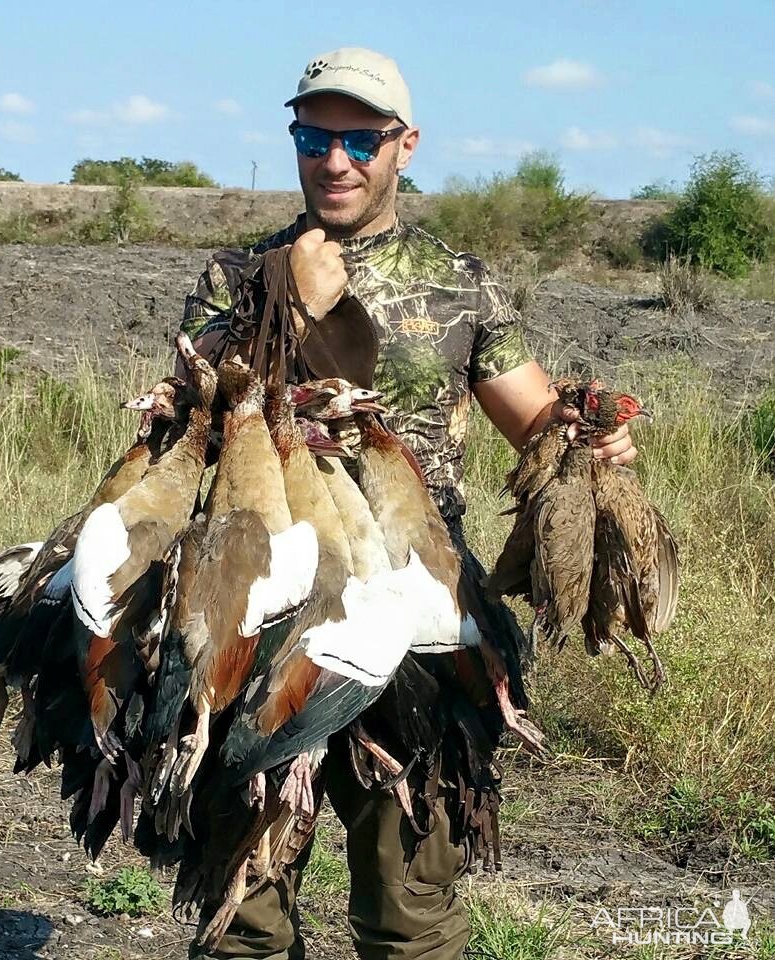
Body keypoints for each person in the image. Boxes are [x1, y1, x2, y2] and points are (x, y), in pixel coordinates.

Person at [180, 46, 637, 960]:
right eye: (314, 136)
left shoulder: (458, 283)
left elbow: (533, 424)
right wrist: (293, 311)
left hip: (416, 616)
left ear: (405, 146)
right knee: (245, 909)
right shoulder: (239, 278)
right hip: (263, 609)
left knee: (409, 910)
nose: (335, 159)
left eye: (360, 139)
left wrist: (593, 440)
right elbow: (191, 423)